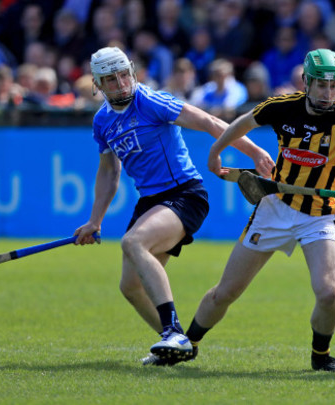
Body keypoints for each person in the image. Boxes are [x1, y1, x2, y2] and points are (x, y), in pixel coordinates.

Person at [182, 48, 335, 372]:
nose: (328, 92)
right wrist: (216, 150)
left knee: (328, 293)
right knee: (225, 292)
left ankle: (321, 358)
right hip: (274, 207)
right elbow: (243, 123)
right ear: (307, 82)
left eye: (334, 85)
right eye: (321, 84)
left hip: (320, 215)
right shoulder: (282, 107)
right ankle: (186, 344)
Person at [73, 46, 274, 366]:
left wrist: (253, 152)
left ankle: (171, 332)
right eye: (111, 79)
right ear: (98, 84)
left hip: (183, 194)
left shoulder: (149, 100)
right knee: (130, 286)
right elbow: (110, 173)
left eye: (124, 74)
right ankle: (179, 344)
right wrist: (95, 221)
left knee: (133, 242)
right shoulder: (102, 122)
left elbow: (208, 121)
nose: (121, 83)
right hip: (150, 201)